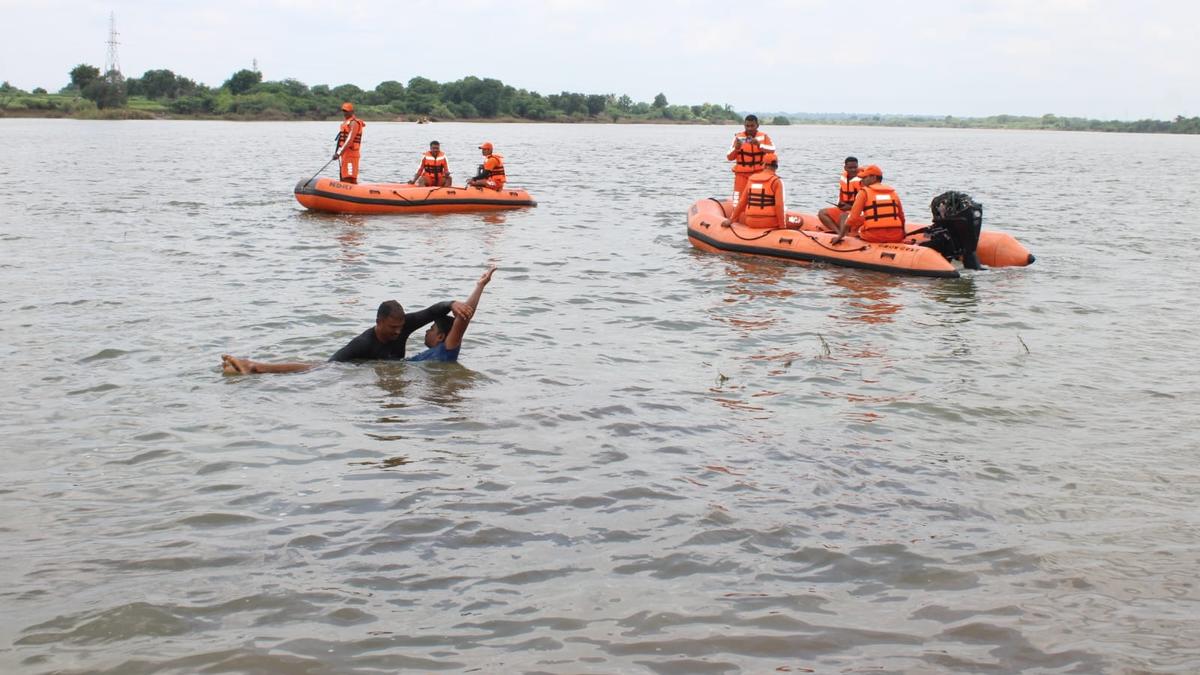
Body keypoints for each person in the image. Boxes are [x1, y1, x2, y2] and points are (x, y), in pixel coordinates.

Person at [220, 297, 474, 375]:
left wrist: (453, 304)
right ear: (378, 323)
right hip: (358, 369)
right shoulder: (363, 343)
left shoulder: (405, 325)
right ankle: (255, 366)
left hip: (387, 372)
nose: (399, 332)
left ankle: (249, 367)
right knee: (317, 368)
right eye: (393, 328)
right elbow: (328, 368)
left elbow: (434, 310)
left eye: (401, 327)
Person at [409, 266, 497, 363]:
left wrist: (480, 286)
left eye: (431, 329)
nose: (427, 331)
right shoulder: (434, 353)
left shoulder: (446, 350)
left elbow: (464, 318)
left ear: (440, 337)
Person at [832, 164, 907, 245]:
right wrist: (903, 233)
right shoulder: (893, 193)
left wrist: (840, 236)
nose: (862, 181)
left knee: (855, 231)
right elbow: (901, 217)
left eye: (864, 178)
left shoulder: (864, 192)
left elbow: (853, 218)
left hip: (873, 236)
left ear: (873, 177)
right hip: (896, 236)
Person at [721, 153, 789, 230]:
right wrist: (782, 227)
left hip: (751, 221)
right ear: (776, 167)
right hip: (769, 222)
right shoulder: (776, 181)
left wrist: (731, 220)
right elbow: (779, 206)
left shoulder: (751, 179)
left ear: (764, 165)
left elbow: (742, 202)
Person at [726, 114, 776, 208]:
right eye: (747, 126)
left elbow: (773, 149)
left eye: (752, 126)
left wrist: (759, 145)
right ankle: (736, 218)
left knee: (759, 197)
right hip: (742, 175)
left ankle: (758, 217)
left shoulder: (764, 137)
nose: (749, 128)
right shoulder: (738, 138)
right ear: (744, 125)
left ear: (757, 125)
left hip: (759, 174)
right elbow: (729, 157)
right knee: (738, 200)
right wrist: (736, 148)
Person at [817, 156, 861, 232]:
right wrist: (840, 204)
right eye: (850, 168)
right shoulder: (844, 178)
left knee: (844, 217)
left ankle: (845, 237)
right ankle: (838, 232)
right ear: (845, 168)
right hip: (845, 209)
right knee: (822, 213)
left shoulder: (862, 180)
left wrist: (850, 207)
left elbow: (864, 203)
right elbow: (841, 194)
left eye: (855, 167)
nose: (853, 170)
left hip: (857, 211)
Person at [333, 102, 365, 184]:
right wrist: (337, 153)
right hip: (345, 155)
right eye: (343, 111)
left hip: (351, 155)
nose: (345, 113)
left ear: (352, 111)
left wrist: (339, 153)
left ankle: (355, 193)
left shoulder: (353, 123)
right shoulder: (346, 123)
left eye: (346, 111)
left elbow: (350, 139)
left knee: (349, 177)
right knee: (344, 177)